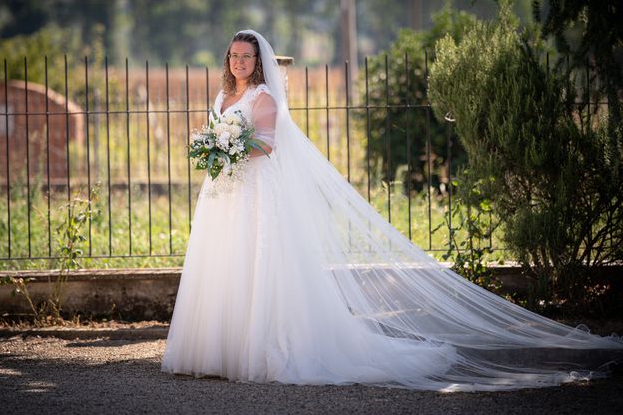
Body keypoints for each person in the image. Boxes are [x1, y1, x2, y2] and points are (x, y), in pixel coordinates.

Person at [161, 29, 622, 391]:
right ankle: (218, 352)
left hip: (257, 192)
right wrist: (213, 149)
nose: (239, 62)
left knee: (260, 267)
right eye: (233, 56)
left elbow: (267, 143)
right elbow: (222, 133)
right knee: (224, 265)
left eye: (246, 56)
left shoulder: (263, 98)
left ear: (258, 61)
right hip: (224, 194)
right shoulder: (222, 98)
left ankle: (261, 351)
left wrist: (230, 149)